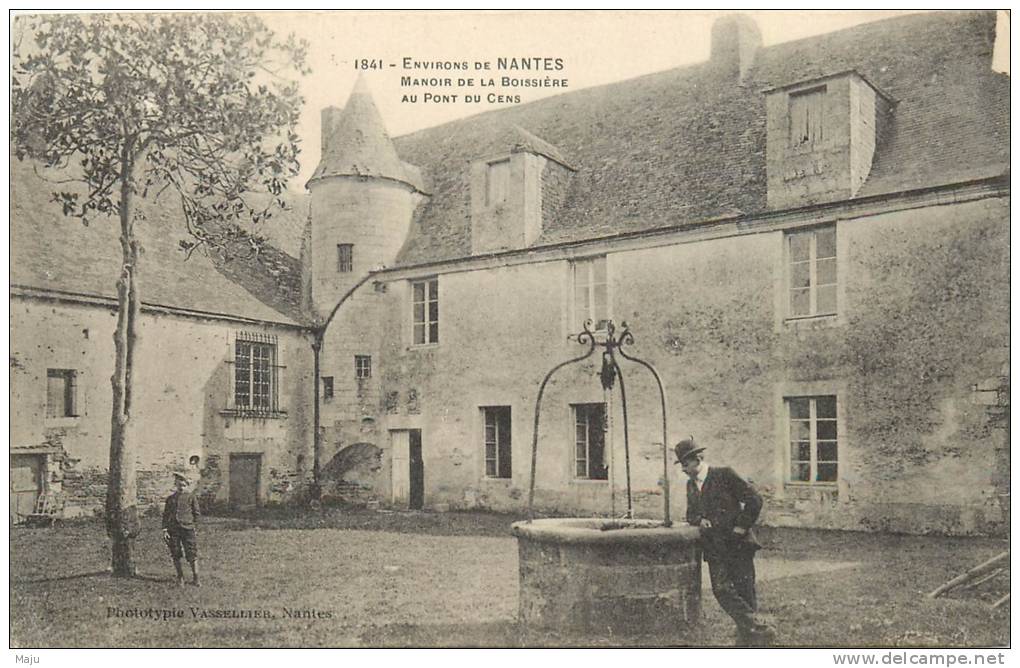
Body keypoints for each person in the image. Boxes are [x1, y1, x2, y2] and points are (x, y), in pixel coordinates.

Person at [676, 437, 775, 646]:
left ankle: (749, 640)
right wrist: (699, 520)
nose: (683, 469)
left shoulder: (724, 474)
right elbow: (690, 514)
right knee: (721, 589)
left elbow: (754, 500)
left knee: (744, 591)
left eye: (685, 463)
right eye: (681, 465)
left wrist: (741, 527)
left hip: (738, 544)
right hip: (714, 547)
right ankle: (761, 627)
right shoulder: (690, 485)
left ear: (697, 459)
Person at [163, 471, 200, 587]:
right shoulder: (170, 499)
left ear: (187, 486)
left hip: (188, 528)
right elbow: (166, 515)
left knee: (191, 553)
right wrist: (165, 529)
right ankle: (180, 577)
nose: (181, 488)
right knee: (176, 553)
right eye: (179, 485)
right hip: (173, 529)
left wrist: (194, 526)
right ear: (175, 485)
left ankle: (196, 578)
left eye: (183, 485)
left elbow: (196, 513)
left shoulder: (191, 497)